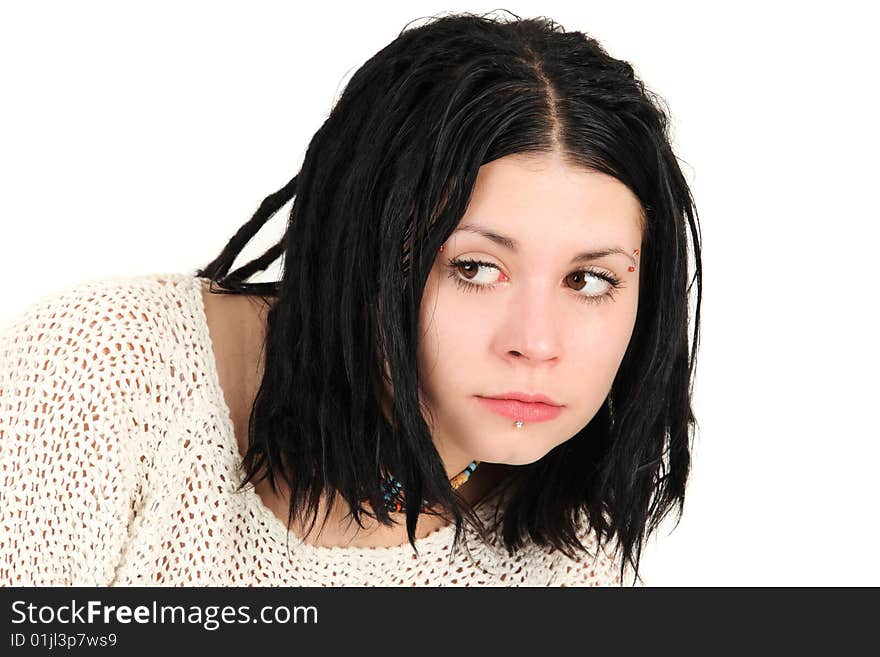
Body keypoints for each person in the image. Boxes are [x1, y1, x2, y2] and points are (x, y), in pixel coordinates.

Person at [0, 11, 701, 586]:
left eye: (588, 280)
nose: (536, 342)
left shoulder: (570, 555)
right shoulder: (103, 370)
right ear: (363, 246)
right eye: (476, 267)